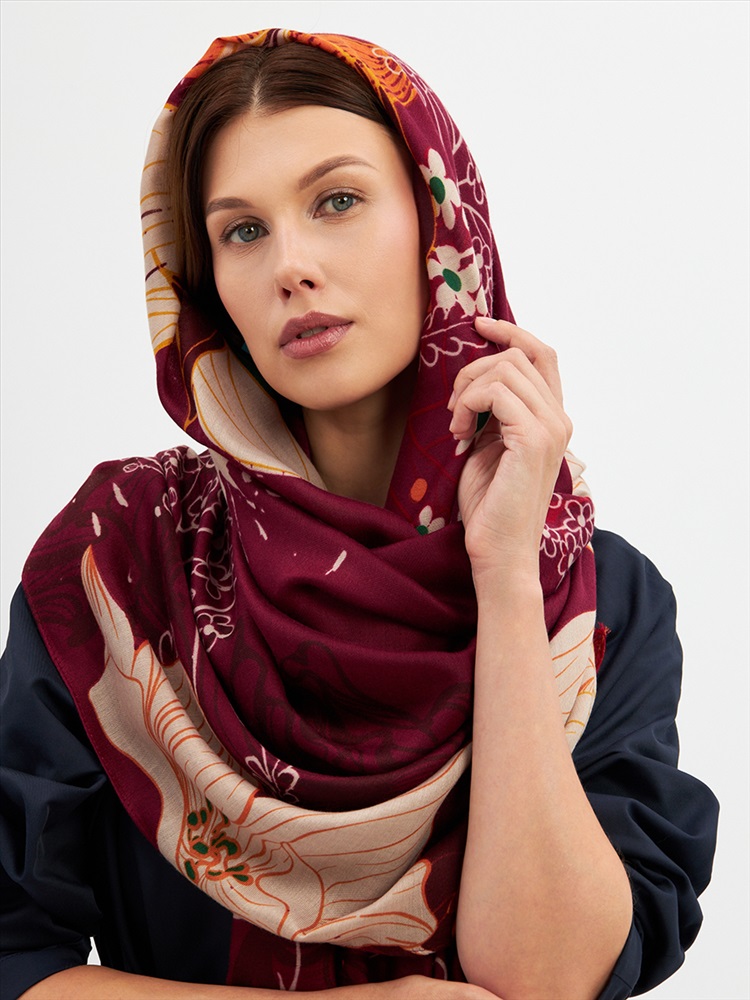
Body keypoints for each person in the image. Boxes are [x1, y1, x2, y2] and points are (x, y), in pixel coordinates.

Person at [0, 28, 718, 1000]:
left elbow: (550, 981)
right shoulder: (115, 566)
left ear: (440, 224)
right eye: (241, 231)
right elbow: (15, 962)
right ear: (204, 288)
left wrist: (507, 575)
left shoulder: (594, 601)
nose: (290, 264)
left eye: (336, 201)